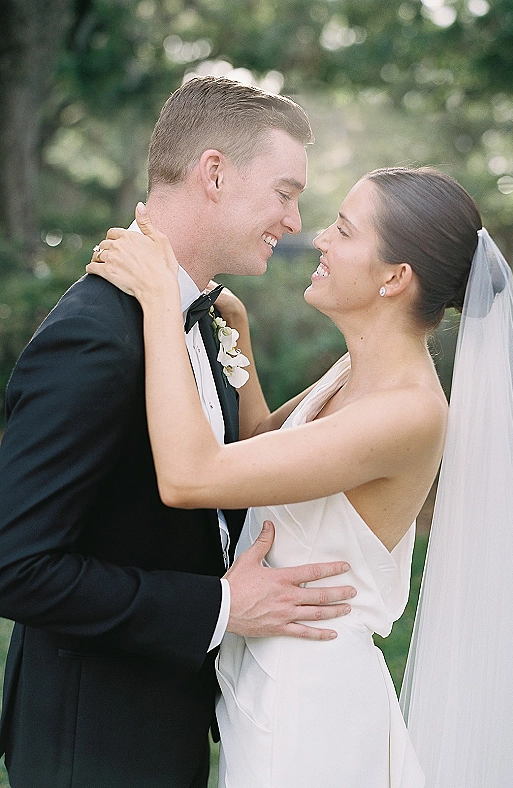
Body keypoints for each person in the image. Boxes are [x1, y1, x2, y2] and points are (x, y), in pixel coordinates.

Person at [88, 165, 513, 788]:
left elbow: (191, 476)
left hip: (312, 711)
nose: (318, 238)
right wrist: (234, 331)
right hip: (270, 682)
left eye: (343, 230)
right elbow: (264, 446)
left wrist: (162, 303)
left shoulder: (406, 413)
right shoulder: (357, 368)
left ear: (395, 278)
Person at [0, 75, 358, 788]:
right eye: (285, 192)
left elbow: (235, 461)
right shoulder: (97, 338)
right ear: (215, 175)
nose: (294, 220)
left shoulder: (207, 316)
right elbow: (15, 565)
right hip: (96, 738)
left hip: (164, 712)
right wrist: (224, 606)